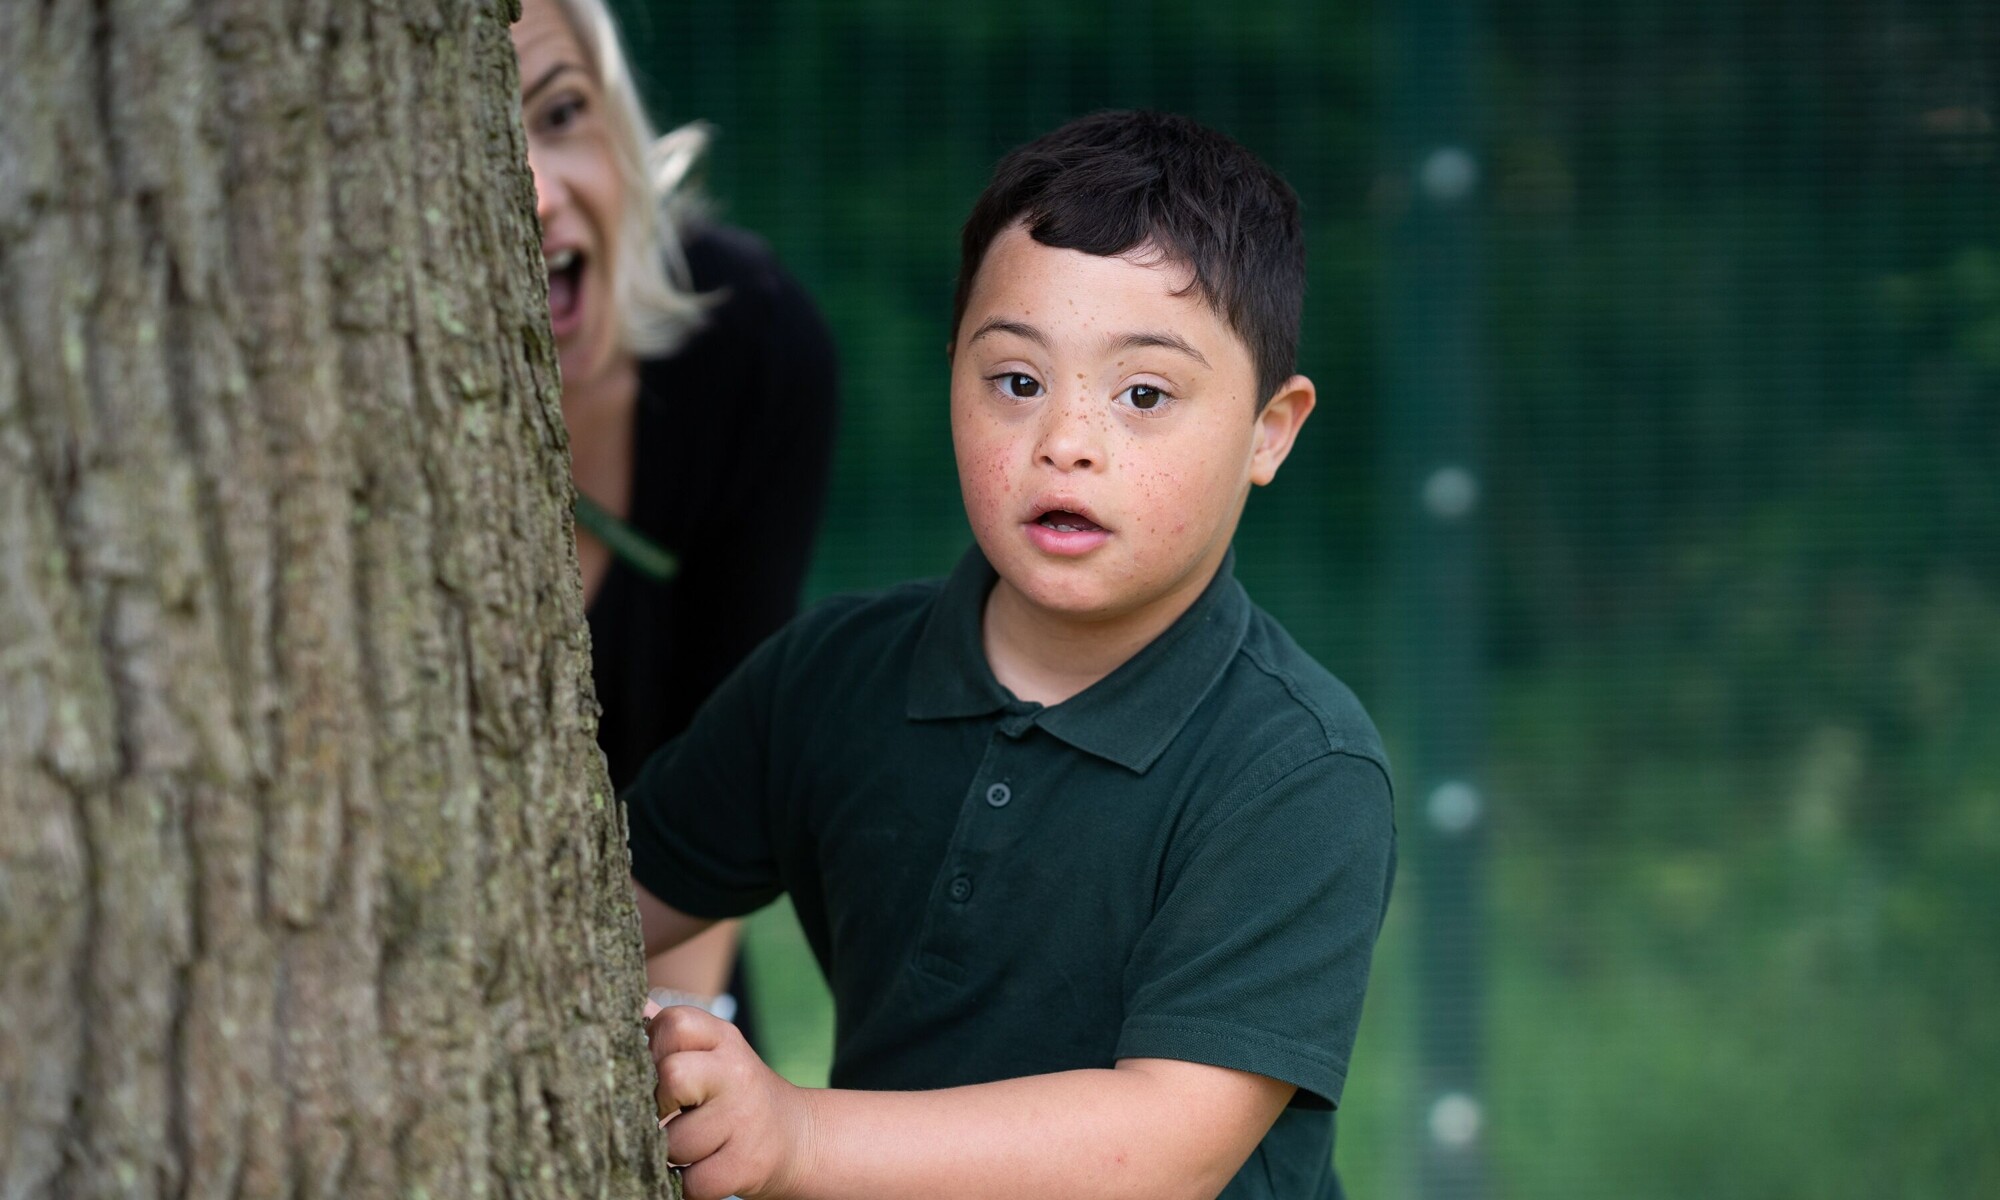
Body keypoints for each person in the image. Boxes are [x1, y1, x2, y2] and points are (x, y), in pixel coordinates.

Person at [629, 110, 1395, 1200]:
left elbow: (1165, 1143)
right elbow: (598, 907)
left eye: (1142, 395)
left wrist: (797, 1137)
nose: (1064, 440)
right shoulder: (830, 679)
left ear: (1270, 429)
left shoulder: (1295, 769)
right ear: (953, 379)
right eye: (1016, 381)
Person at [511, 0, 839, 1035]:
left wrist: (682, 1029)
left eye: (559, 113)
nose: (531, 190)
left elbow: (728, 762)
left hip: (673, 952)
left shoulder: (745, 344)